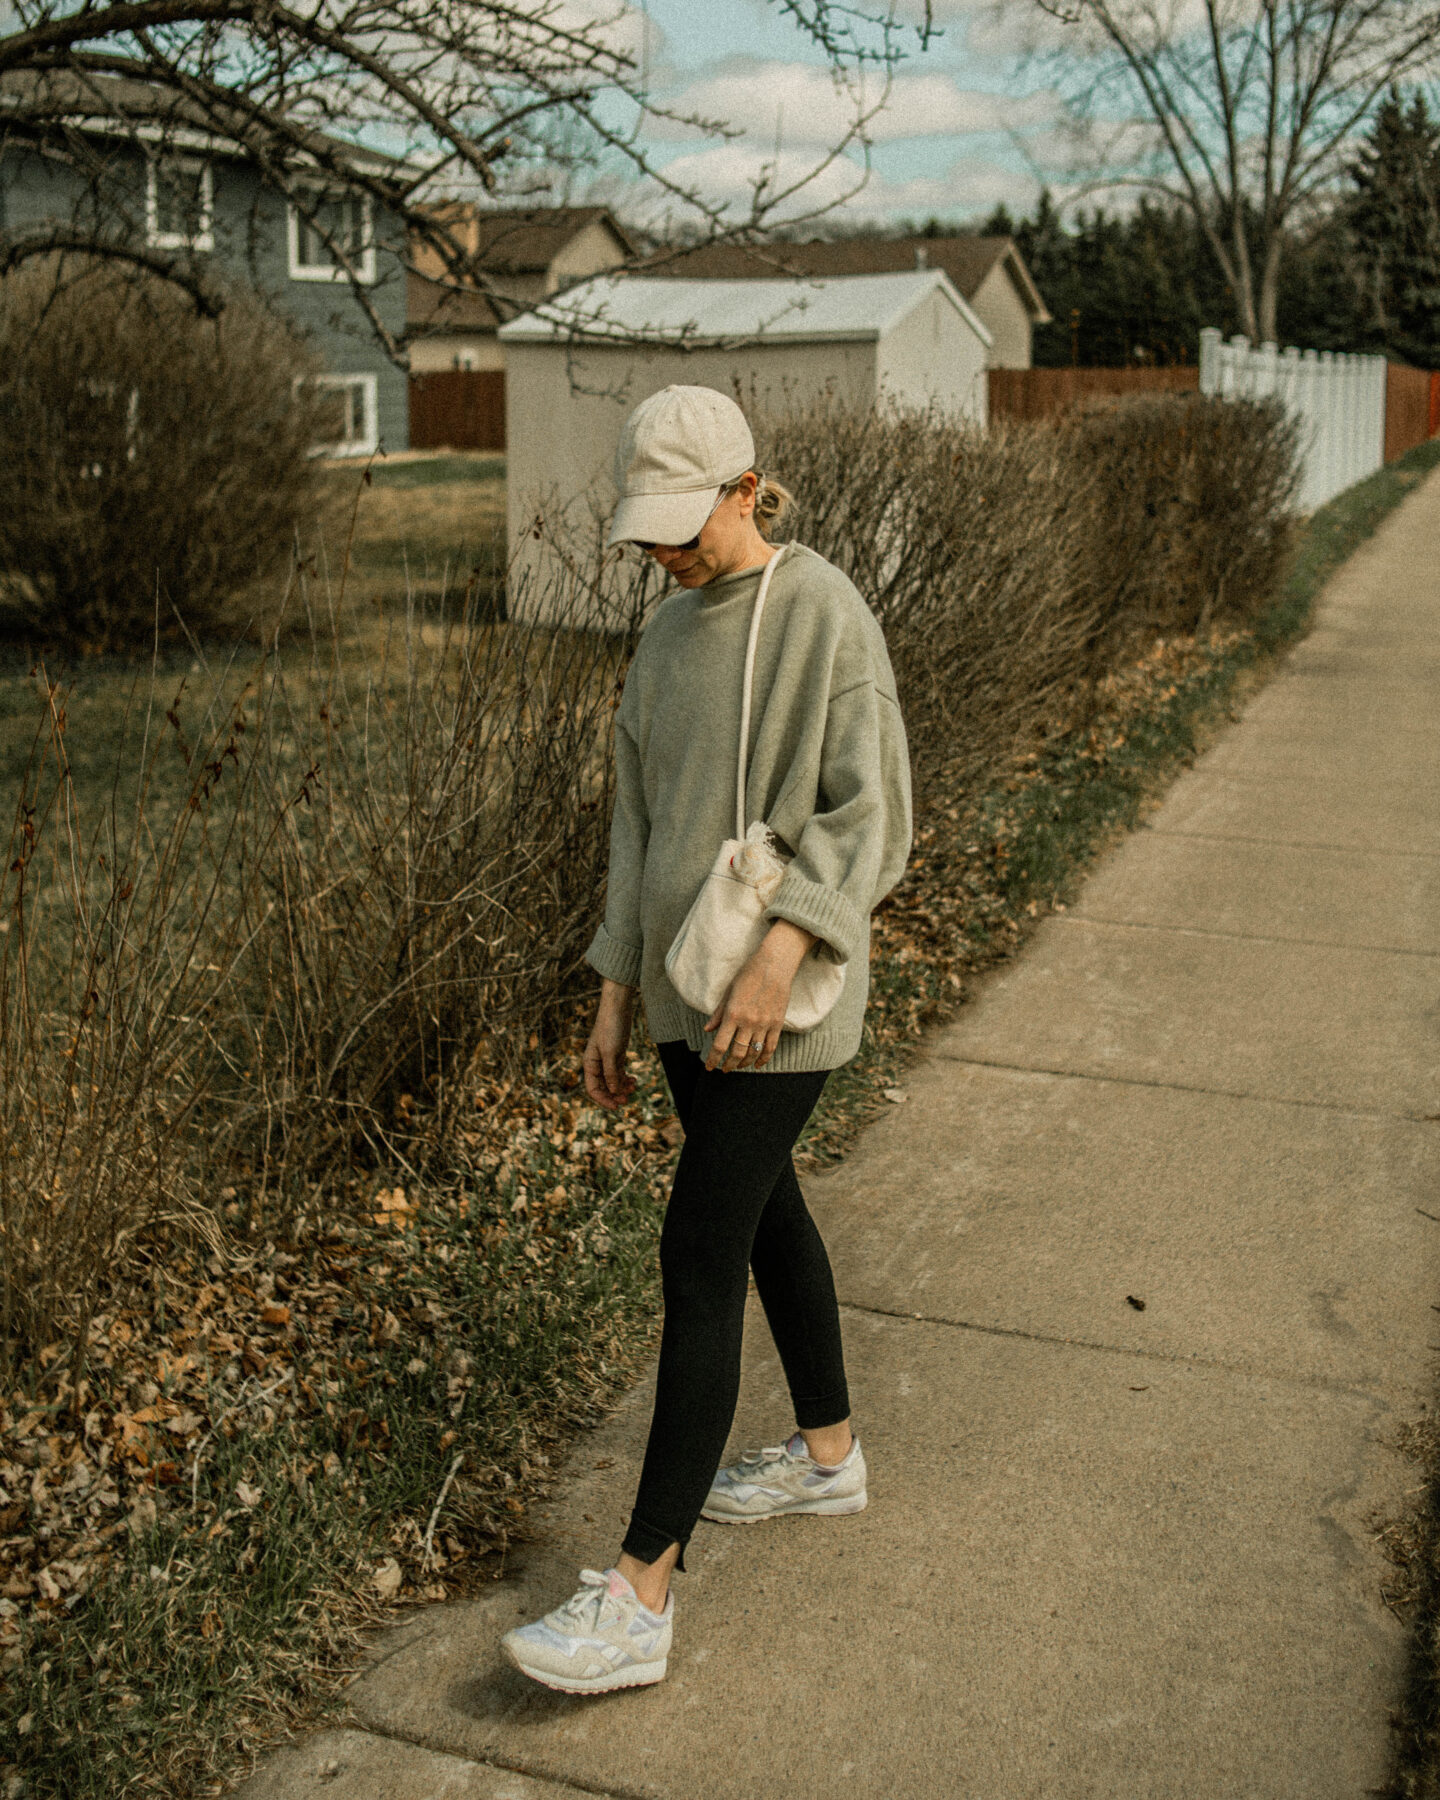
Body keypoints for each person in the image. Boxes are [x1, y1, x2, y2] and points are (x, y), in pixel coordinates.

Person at [501, 384, 913, 1695]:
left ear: (747, 488)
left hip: (779, 1002)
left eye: (686, 526)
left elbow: (872, 810)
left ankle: (639, 1593)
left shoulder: (821, 610)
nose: (667, 554)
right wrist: (615, 989)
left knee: (697, 1247)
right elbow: (634, 822)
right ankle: (830, 1457)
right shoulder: (668, 637)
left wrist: (788, 941)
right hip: (686, 995)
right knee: (766, 1215)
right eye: (652, 535)